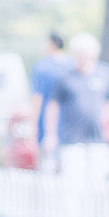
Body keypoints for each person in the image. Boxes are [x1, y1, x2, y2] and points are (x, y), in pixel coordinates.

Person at [48, 33, 109, 217]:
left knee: (96, 180)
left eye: (87, 53)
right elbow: (53, 106)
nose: (83, 57)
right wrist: (51, 135)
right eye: (79, 54)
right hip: (72, 139)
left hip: (97, 138)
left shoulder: (103, 74)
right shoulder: (66, 78)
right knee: (73, 181)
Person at [26, 32, 71, 171]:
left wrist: (31, 124)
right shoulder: (72, 64)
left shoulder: (42, 67)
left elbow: (37, 97)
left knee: (46, 164)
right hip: (69, 123)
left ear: (52, 44)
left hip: (45, 121)